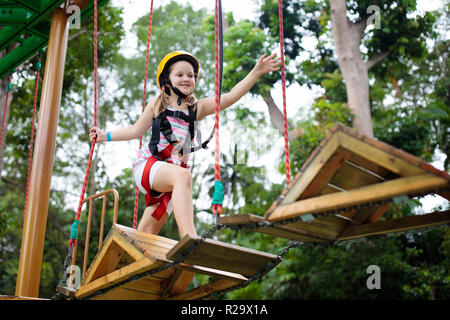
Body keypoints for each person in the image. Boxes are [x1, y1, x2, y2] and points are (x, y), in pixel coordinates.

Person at [90, 50, 281, 239]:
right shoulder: (158, 105)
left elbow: (230, 97)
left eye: (191, 75)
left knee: (146, 235)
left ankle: (131, 264)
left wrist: (255, 73)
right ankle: (190, 237)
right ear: (167, 79)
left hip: (171, 178)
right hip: (148, 167)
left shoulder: (196, 109)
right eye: (179, 74)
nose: (186, 78)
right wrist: (103, 136)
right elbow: (135, 131)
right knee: (183, 176)